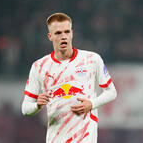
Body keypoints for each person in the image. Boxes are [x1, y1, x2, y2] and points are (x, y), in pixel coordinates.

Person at [21, 12, 117, 143]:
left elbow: (112, 92)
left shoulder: (91, 59)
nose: (63, 37)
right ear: (50, 36)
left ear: (72, 33)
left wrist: (92, 104)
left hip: (85, 138)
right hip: (56, 138)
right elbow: (25, 108)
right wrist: (37, 105)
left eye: (66, 32)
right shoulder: (39, 66)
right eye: (58, 33)